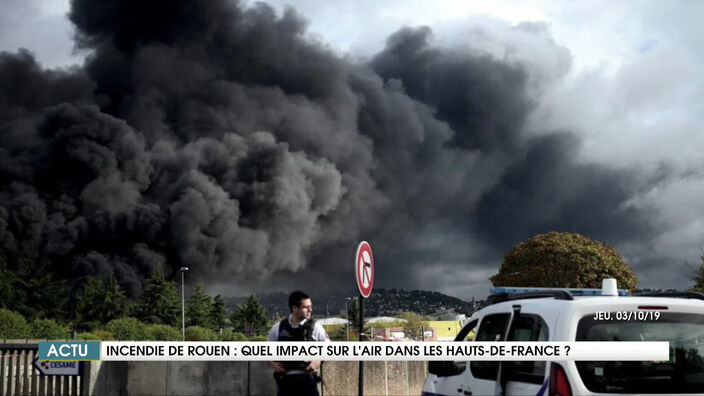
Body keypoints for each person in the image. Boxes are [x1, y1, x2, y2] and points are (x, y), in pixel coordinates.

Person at [268, 290, 329, 396]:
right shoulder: (279, 327)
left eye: (310, 306)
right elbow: (265, 351)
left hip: (308, 381)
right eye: (306, 307)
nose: (310, 310)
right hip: (285, 382)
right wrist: (273, 364)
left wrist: (318, 361)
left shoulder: (315, 327)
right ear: (294, 308)